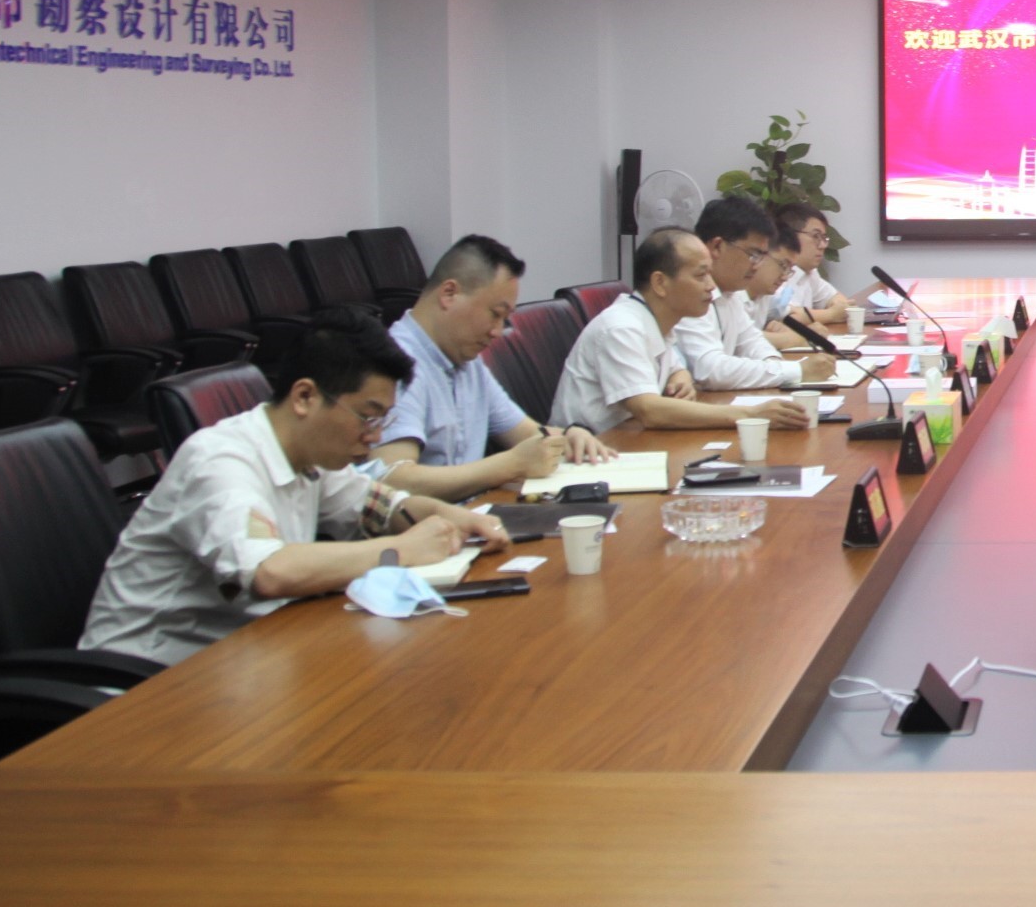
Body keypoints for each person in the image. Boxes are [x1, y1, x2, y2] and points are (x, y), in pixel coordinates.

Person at [81, 307, 510, 665]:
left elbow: (378, 506)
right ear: (305, 397)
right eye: (368, 417)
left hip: (240, 658)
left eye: (384, 420)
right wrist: (400, 551)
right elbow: (269, 572)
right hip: (142, 680)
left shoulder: (311, 454)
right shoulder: (219, 462)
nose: (376, 436)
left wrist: (452, 517)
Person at [366, 233, 617, 500]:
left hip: (474, 515)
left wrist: (568, 436)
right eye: (495, 314)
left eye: (505, 318)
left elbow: (528, 435)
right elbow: (393, 480)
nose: (497, 332)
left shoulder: (467, 361)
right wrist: (510, 465)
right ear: (449, 294)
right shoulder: (395, 363)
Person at [549, 227, 817, 432]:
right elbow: (649, 410)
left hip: (629, 441)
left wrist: (681, 377)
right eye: (700, 275)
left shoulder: (658, 320)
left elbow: (676, 368)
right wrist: (750, 415)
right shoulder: (621, 327)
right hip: (588, 456)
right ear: (660, 283)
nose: (710, 286)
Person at [671, 196, 834, 390]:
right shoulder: (688, 292)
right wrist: (796, 371)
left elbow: (752, 343)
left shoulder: (729, 293)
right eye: (753, 255)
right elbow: (710, 370)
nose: (757, 265)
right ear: (717, 247)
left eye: (761, 256)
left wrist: (777, 366)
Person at [762, 204, 849, 345]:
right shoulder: (773, 275)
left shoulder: (809, 272)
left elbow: (840, 302)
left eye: (824, 238)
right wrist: (832, 314)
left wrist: (807, 317)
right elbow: (789, 318)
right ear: (790, 235)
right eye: (816, 236)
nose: (823, 245)